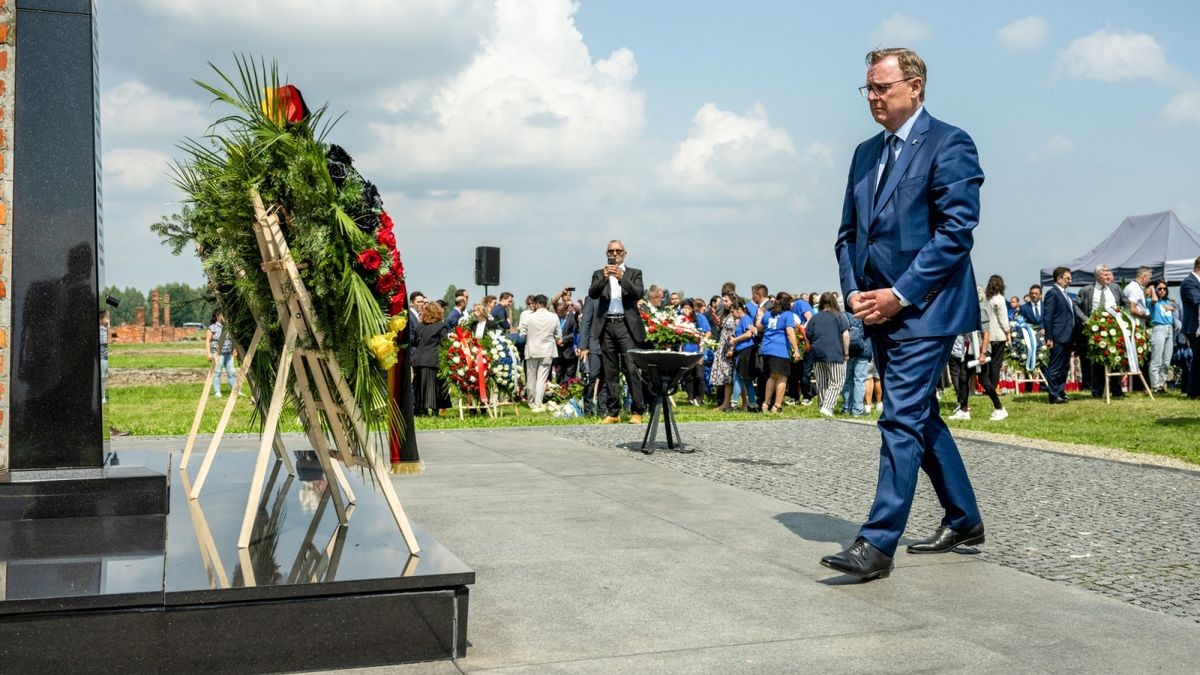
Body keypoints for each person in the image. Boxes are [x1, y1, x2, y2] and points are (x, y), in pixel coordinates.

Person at [825, 47, 985, 580]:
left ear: (914, 87)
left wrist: (901, 293)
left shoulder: (950, 143)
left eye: (882, 88)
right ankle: (963, 518)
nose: (872, 97)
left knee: (898, 418)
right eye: (867, 88)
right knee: (918, 414)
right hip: (875, 309)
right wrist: (853, 293)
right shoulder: (864, 153)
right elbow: (848, 235)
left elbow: (956, 233)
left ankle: (876, 543)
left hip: (927, 309)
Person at [587, 239, 647, 424]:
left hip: (626, 325)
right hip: (607, 325)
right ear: (607, 254)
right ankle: (613, 412)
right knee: (610, 371)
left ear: (624, 253)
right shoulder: (599, 273)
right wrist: (604, 278)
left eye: (618, 251)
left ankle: (637, 411)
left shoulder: (634, 273)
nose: (614, 254)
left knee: (631, 368)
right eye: (611, 251)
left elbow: (638, 293)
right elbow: (592, 293)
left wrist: (621, 277)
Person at [1077, 265, 1127, 398]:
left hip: (1114, 328)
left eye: (1109, 274)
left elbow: (1125, 302)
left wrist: (1123, 315)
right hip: (1095, 329)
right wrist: (1086, 320)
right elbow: (1076, 305)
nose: (1108, 276)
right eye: (1105, 274)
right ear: (1097, 276)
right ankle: (1097, 391)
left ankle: (1116, 390)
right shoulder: (1086, 290)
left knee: (1115, 358)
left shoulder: (1115, 288)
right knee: (1097, 360)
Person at [805, 291, 850, 416]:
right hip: (835, 353)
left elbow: (808, 334)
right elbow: (845, 336)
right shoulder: (839, 316)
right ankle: (827, 407)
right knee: (837, 381)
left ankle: (822, 407)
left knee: (822, 382)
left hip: (817, 353)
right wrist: (846, 353)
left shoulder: (815, 317)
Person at [756, 292, 802, 413]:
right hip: (780, 350)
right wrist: (796, 350)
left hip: (766, 348)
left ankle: (765, 404)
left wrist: (760, 315)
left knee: (771, 377)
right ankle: (777, 405)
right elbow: (790, 332)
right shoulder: (788, 315)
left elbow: (759, 327)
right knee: (782, 378)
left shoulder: (768, 313)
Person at [519, 294, 561, 412]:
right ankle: (538, 402)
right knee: (542, 378)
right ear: (546, 304)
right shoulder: (554, 317)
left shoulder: (529, 317)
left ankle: (531, 401)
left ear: (536, 304)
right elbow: (558, 335)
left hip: (532, 349)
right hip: (547, 350)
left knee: (531, 377)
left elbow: (522, 334)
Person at [1041, 266, 1076, 404]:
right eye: (1068, 278)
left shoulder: (1065, 294)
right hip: (1057, 336)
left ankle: (1061, 391)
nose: (1070, 280)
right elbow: (1048, 317)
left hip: (1067, 336)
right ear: (1059, 279)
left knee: (1064, 367)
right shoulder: (1052, 293)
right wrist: (1049, 337)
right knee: (1055, 367)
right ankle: (1054, 394)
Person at [978, 275, 1009, 421]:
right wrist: (1008, 332)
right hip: (999, 335)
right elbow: (1003, 318)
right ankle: (993, 386)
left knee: (989, 365)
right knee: (997, 364)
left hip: (987, 335)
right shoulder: (1000, 299)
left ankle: (989, 386)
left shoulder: (987, 299)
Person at [410, 301, 447, 416]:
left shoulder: (420, 326)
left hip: (418, 360)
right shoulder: (441, 326)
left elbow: (415, 341)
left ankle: (423, 411)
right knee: (434, 385)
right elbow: (444, 343)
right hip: (433, 359)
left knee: (421, 386)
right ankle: (435, 411)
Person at [1147, 280, 1177, 394]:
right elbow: (1154, 300)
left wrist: (1171, 307)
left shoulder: (1167, 301)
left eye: (1164, 288)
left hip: (1169, 329)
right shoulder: (1151, 300)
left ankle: (1161, 384)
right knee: (1156, 359)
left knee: (1166, 360)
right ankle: (1155, 386)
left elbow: (1173, 310)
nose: (1162, 290)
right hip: (1159, 328)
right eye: (1159, 288)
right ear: (1155, 289)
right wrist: (1151, 289)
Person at [729, 299, 758, 411]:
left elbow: (748, 334)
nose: (732, 314)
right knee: (746, 378)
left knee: (738, 376)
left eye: (733, 312)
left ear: (739, 310)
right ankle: (752, 403)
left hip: (745, 350)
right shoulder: (741, 320)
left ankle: (734, 404)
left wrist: (735, 340)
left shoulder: (745, 319)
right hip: (742, 350)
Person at [710, 298, 738, 411]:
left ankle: (744, 403)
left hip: (729, 350)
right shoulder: (728, 315)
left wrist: (731, 348)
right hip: (723, 348)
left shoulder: (736, 317)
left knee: (732, 378)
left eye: (726, 301)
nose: (724, 303)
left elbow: (735, 333)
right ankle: (726, 403)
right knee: (727, 379)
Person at [205, 310, 237, 398]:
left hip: (228, 353)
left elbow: (233, 339)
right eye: (222, 315)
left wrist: (234, 349)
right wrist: (208, 354)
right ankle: (217, 391)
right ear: (217, 316)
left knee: (231, 372)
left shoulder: (229, 327)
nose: (224, 317)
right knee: (217, 372)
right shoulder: (212, 327)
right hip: (218, 354)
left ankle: (235, 391)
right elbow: (208, 341)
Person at [1181, 257, 1200, 399]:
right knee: (1198, 359)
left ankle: (1194, 391)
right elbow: (1197, 301)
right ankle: (1193, 391)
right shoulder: (1189, 283)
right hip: (1194, 327)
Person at [551, 299, 579, 383]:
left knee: (569, 375)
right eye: (558, 312)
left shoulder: (573, 318)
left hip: (569, 352)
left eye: (561, 312)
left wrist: (563, 339)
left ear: (566, 310)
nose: (559, 314)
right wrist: (557, 340)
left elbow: (576, 332)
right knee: (559, 374)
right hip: (558, 352)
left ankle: (568, 393)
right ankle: (559, 393)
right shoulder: (555, 318)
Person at [100, 310, 110, 404]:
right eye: (107, 317)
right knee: (103, 377)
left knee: (105, 376)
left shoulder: (105, 330)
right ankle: (103, 397)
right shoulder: (102, 330)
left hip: (105, 357)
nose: (108, 320)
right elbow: (103, 346)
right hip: (103, 357)